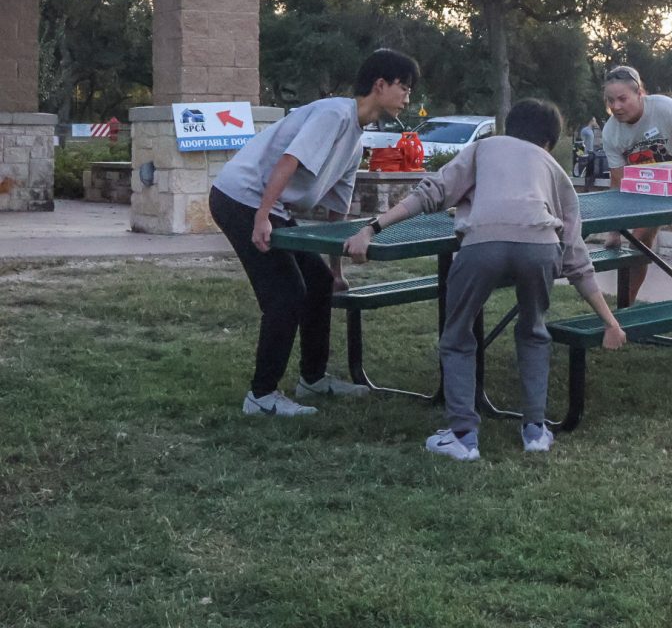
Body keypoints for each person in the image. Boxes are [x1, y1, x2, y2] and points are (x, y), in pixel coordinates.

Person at [344, 98, 626, 461]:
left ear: (509, 128)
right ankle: (535, 430)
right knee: (534, 329)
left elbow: (429, 193)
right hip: (541, 246)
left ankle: (463, 436)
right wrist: (610, 322)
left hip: (483, 245)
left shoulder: (483, 148)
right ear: (549, 142)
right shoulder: (554, 170)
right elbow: (575, 256)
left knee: (458, 333)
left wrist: (372, 228)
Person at [209, 48, 420, 416]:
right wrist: (261, 217)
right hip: (241, 199)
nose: (408, 97)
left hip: (269, 206)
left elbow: (339, 209)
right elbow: (288, 161)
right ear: (380, 84)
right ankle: (261, 396)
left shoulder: (356, 136)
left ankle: (313, 379)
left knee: (319, 283)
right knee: (285, 294)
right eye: (403, 87)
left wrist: (336, 271)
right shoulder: (333, 114)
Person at [601, 65, 672, 345]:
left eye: (622, 99)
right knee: (639, 241)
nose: (616, 106)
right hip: (652, 187)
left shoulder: (665, 108)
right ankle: (623, 317)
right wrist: (616, 228)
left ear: (639, 93)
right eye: (610, 101)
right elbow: (619, 183)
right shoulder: (611, 132)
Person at [580, 116, 600, 188]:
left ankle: (590, 184)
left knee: (592, 169)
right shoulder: (585, 130)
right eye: (594, 121)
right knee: (587, 169)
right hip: (586, 152)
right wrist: (581, 153)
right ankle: (586, 185)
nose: (595, 122)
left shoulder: (591, 131)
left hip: (591, 152)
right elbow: (581, 142)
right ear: (591, 121)